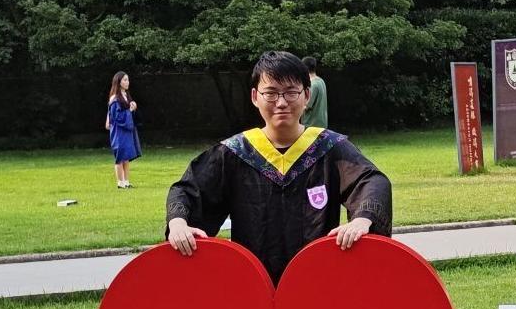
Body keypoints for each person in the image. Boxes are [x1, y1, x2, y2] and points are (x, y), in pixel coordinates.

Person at [165, 50, 391, 283]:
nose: (281, 103)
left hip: (317, 281)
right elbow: (188, 189)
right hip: (253, 284)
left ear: (306, 95)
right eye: (271, 93)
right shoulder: (236, 152)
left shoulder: (329, 147)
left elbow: (371, 181)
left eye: (291, 92)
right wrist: (179, 222)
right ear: (255, 97)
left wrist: (363, 218)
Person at [105, 71, 141, 189]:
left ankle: (126, 181)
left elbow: (129, 114)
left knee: (126, 157)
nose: (127, 82)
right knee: (120, 157)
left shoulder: (126, 95)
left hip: (127, 130)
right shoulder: (115, 98)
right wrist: (129, 111)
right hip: (118, 131)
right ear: (118, 82)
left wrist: (133, 108)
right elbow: (117, 117)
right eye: (125, 80)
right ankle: (120, 183)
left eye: (128, 80)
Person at [300, 55, 328, 129]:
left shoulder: (312, 84)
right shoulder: (321, 81)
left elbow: (306, 106)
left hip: (311, 126)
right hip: (321, 125)